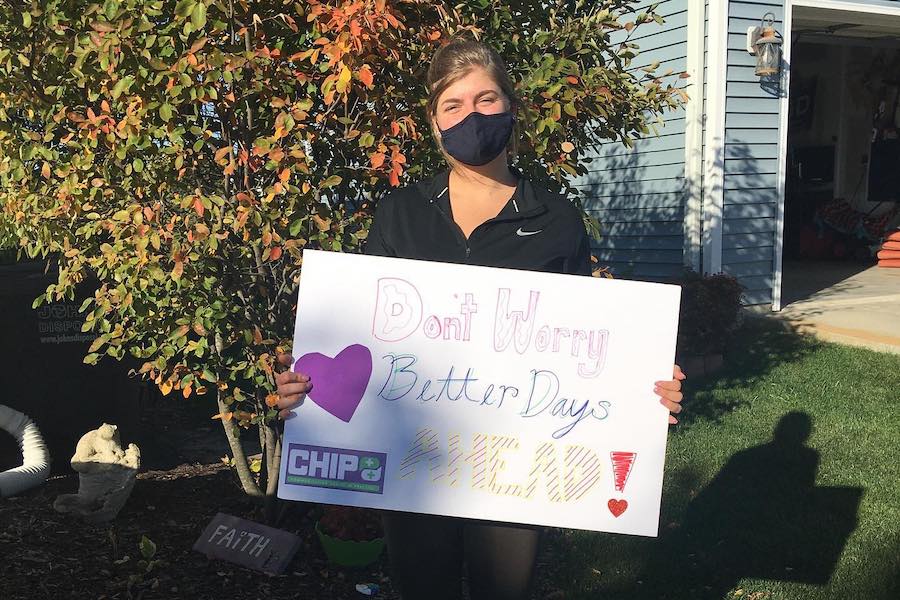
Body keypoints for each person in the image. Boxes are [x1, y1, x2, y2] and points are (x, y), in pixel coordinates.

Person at [274, 38, 685, 600]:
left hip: (515, 462)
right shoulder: (399, 216)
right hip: (413, 457)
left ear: (511, 107)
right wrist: (306, 385)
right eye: (454, 104)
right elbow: (358, 333)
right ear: (433, 120)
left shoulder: (557, 220)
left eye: (486, 99)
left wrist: (643, 394)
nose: (472, 115)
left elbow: (588, 345)